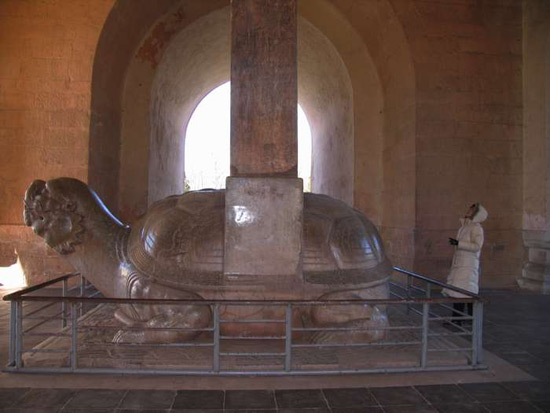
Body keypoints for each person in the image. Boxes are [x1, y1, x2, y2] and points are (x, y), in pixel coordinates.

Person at [442, 203, 488, 325]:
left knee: (462, 293)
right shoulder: (464, 226)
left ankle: (459, 320)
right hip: (460, 263)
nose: (468, 211)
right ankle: (466, 318)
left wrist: (459, 243)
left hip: (468, 265)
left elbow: (477, 246)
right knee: (462, 292)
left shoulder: (476, 228)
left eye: (472, 209)